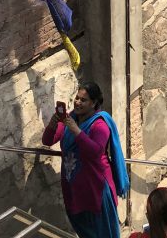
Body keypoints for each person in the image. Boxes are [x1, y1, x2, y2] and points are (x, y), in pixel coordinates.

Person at [42, 82, 130, 238]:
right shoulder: (71, 118)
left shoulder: (100, 125)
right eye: (77, 98)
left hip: (95, 188)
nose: (78, 102)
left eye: (84, 100)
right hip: (74, 188)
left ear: (94, 103)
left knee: (102, 232)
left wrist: (76, 130)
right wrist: (53, 123)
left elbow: (95, 152)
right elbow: (48, 140)